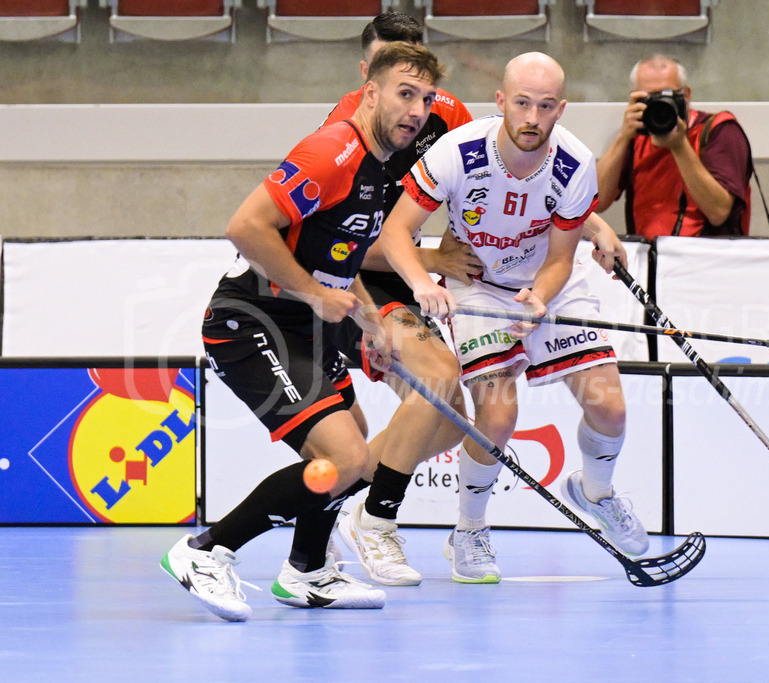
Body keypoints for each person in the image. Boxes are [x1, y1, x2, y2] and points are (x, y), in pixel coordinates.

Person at [160, 43, 446, 621]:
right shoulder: (332, 152)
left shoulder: (381, 167)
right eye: (403, 93)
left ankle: (309, 570)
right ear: (371, 93)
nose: (415, 110)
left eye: (424, 99)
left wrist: (370, 323)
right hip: (253, 321)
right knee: (340, 457)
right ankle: (206, 552)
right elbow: (246, 227)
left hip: (307, 326)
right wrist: (316, 295)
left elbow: (342, 261)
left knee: (357, 459)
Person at [375, 52, 649, 584]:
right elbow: (393, 232)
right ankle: (469, 530)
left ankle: (596, 491)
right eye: (522, 103)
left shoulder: (575, 163)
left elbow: (560, 259)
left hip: (547, 287)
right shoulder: (456, 153)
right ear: (501, 102)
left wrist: (540, 298)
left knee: (610, 407)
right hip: (477, 288)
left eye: (546, 107)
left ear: (561, 109)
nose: (532, 117)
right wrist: (422, 282)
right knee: (497, 416)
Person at [312, 11, 481, 588]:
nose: (413, 103)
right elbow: (343, 240)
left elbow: (476, 192)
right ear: (369, 77)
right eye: (394, 78)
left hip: (405, 273)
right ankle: (377, 521)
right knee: (438, 375)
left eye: (419, 83)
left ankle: (340, 504)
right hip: (354, 278)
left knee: (453, 417)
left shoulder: (449, 113)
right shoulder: (342, 132)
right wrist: (428, 261)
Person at [595, 54, 754, 238]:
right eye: (649, 98)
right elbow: (595, 202)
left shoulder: (719, 131)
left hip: (709, 261)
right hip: (650, 259)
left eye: (666, 96)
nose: (659, 106)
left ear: (686, 95)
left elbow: (719, 212)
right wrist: (623, 137)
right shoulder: (636, 136)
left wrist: (679, 147)